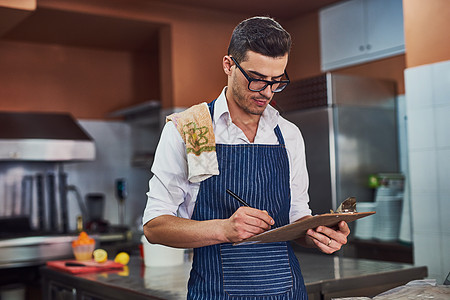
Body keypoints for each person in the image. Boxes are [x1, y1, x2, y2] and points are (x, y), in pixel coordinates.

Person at [143, 16, 350, 299]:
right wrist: (225, 229)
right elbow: (155, 228)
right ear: (228, 65)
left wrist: (316, 234)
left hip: (287, 291)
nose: (266, 92)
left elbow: (296, 218)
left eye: (277, 81)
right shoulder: (190, 129)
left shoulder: (288, 134)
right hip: (215, 291)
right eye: (256, 79)